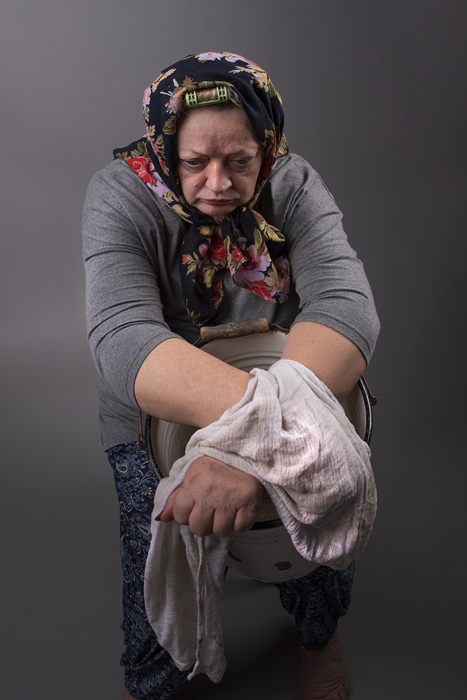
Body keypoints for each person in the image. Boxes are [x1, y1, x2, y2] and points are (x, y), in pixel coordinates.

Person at [83, 51, 380, 700]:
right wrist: (262, 437)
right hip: (157, 413)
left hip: (289, 374)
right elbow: (122, 337)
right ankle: (153, 679)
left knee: (321, 507)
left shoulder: (292, 182)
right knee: (152, 554)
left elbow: (345, 307)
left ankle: (318, 638)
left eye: (240, 160)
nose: (217, 183)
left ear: (265, 146)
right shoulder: (120, 193)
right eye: (194, 161)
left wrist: (237, 448)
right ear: (165, 147)